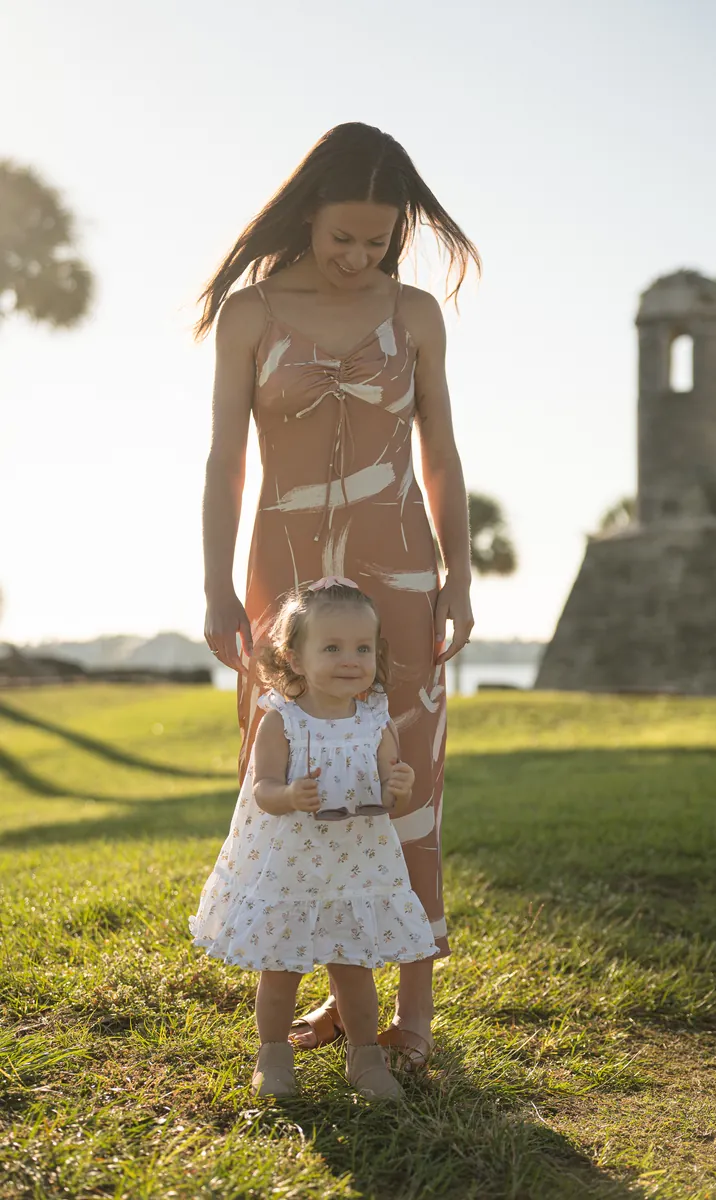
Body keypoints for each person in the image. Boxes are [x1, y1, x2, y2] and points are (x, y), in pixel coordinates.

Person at [196, 121, 478, 1070]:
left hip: (399, 573)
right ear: (307, 214)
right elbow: (225, 463)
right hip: (284, 590)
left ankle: (414, 1018)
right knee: (304, 785)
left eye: (380, 241)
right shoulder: (251, 314)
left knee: (408, 789)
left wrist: (460, 575)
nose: (361, 258)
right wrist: (214, 585)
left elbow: (440, 454)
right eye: (344, 238)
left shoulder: (416, 314)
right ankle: (338, 988)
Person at [189, 580, 439, 1099]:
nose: (351, 659)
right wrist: (289, 794)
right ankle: (273, 1056)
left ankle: (365, 1057)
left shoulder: (374, 722)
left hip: (356, 865)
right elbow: (262, 790)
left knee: (354, 967)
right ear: (294, 659)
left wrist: (400, 782)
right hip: (292, 864)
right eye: (332, 647)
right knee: (281, 969)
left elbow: (389, 786)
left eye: (362, 648)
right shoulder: (283, 722)